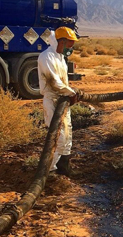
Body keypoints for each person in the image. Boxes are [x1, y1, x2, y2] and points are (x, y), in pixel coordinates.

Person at [38, 26, 79, 177]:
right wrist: (72, 93)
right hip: (53, 102)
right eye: (69, 44)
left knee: (67, 134)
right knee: (56, 137)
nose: (71, 48)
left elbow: (63, 83)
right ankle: (49, 171)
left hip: (63, 102)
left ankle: (63, 166)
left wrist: (69, 93)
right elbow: (54, 83)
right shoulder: (46, 57)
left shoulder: (60, 57)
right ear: (61, 41)